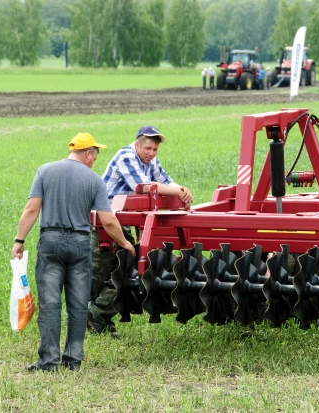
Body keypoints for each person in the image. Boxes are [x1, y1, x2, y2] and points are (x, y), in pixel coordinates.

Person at [12, 132, 135, 372]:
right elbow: (108, 221)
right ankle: (73, 361)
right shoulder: (94, 180)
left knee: (50, 304)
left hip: (50, 242)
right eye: (95, 156)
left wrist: (19, 240)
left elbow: (31, 210)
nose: (95, 161)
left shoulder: (45, 171)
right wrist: (125, 243)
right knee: (78, 305)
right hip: (80, 244)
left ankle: (48, 362)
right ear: (87, 153)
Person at [88, 125, 193, 338]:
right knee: (103, 272)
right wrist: (177, 191)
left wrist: (182, 190)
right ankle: (91, 316)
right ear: (137, 144)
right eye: (148, 148)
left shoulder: (150, 161)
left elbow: (165, 181)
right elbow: (143, 186)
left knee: (123, 270)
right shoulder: (126, 156)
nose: (152, 153)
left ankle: (97, 315)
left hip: (123, 222)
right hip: (104, 222)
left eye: (155, 149)